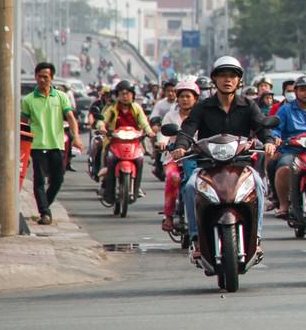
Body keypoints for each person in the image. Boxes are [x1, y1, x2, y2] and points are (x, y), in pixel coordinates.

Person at [172, 57, 277, 260]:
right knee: (190, 186)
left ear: (239, 81)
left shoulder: (249, 105)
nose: (227, 80)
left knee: (259, 184)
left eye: (232, 76)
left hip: (241, 166)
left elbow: (262, 127)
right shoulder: (202, 106)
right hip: (207, 166)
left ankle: (256, 238)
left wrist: (269, 141)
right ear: (214, 80)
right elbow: (188, 129)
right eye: (222, 76)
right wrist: (180, 146)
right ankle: (196, 239)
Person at [21, 61, 81, 225]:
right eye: (39, 76)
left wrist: (76, 136)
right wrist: (22, 148)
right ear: (35, 77)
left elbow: (70, 118)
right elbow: (23, 124)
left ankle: (44, 204)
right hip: (37, 145)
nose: (42, 80)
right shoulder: (28, 100)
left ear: (51, 78)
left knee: (58, 179)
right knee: (39, 180)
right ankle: (45, 213)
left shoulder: (61, 97)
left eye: (45, 77)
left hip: (57, 144)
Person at [271, 74, 306, 219]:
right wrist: (276, 138)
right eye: (302, 90)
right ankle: (284, 204)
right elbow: (276, 129)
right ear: (296, 92)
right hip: (293, 150)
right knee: (283, 168)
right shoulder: (285, 110)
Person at [100, 81, 155, 205]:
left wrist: (149, 131)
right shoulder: (112, 109)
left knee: (139, 160)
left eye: (128, 93)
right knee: (108, 158)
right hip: (114, 141)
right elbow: (103, 120)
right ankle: (106, 185)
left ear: (133, 95)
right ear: (117, 95)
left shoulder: (136, 108)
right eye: (122, 94)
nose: (125, 96)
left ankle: (136, 187)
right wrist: (102, 127)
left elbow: (144, 122)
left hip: (134, 142)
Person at [160, 77, 200, 236]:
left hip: (198, 158)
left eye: (188, 96)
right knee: (173, 178)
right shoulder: (170, 116)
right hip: (174, 158)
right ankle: (168, 216)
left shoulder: (201, 116)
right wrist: (162, 143)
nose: (184, 100)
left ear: (195, 98)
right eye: (182, 96)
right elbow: (162, 134)